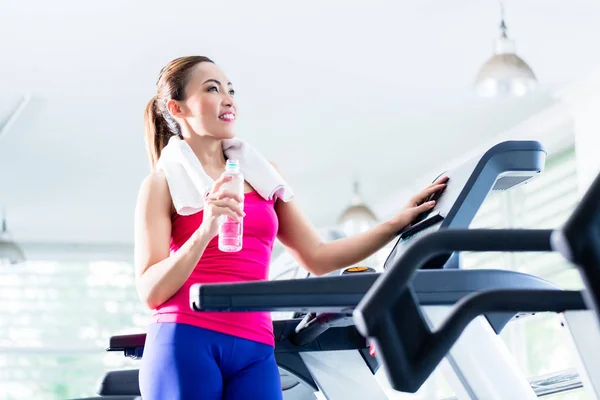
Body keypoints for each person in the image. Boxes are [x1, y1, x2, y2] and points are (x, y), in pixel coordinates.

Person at [134, 55, 447, 400]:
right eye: (212, 89)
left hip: (254, 345)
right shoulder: (161, 184)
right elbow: (150, 291)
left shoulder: (263, 174)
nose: (228, 99)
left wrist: (395, 223)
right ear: (178, 109)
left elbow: (318, 257)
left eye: (231, 90)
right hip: (186, 339)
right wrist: (205, 229)